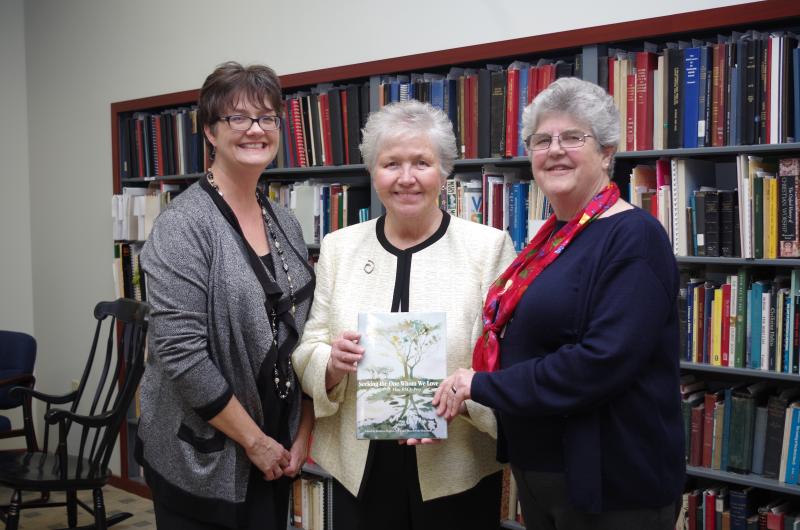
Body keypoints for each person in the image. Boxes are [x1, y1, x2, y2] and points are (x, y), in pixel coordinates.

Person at [436, 77, 685, 530]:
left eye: (573, 137)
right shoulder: (553, 236)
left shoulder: (635, 238)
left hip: (610, 483)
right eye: (542, 139)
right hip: (546, 470)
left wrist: (482, 386)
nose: (555, 150)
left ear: (606, 152)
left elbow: (599, 363)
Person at [292, 99, 517, 530]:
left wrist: (463, 398)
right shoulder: (339, 247)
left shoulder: (488, 249)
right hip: (361, 469)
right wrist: (331, 365)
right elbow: (309, 347)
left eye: (422, 162)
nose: (407, 178)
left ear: (443, 171)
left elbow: (504, 360)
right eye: (391, 163)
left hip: (454, 464)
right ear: (373, 172)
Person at [137, 61, 316, 529]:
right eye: (238, 118)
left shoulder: (286, 222)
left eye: (267, 118)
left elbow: (303, 328)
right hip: (207, 455)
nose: (255, 129)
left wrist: (303, 430)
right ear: (211, 133)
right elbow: (181, 356)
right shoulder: (183, 226)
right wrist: (254, 441)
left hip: (275, 447)